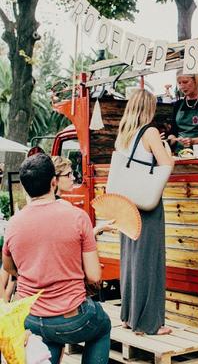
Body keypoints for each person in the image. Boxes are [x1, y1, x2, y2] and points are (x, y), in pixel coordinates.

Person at [2, 153, 111, 364]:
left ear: (25, 188)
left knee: (47, 338)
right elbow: (94, 276)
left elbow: (9, 267)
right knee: (102, 326)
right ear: (54, 182)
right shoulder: (78, 217)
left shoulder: (14, 223)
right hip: (72, 317)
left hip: (31, 319)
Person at [115, 88, 174, 335]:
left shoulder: (122, 135)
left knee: (130, 260)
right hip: (147, 204)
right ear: (149, 108)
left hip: (126, 204)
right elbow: (166, 164)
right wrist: (168, 149)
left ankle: (129, 316)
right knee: (149, 261)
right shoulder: (150, 132)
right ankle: (150, 323)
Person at [51, 155, 115, 236]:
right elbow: (78, 242)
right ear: (55, 179)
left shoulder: (46, 203)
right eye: (68, 174)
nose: (73, 178)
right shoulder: (63, 206)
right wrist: (99, 228)